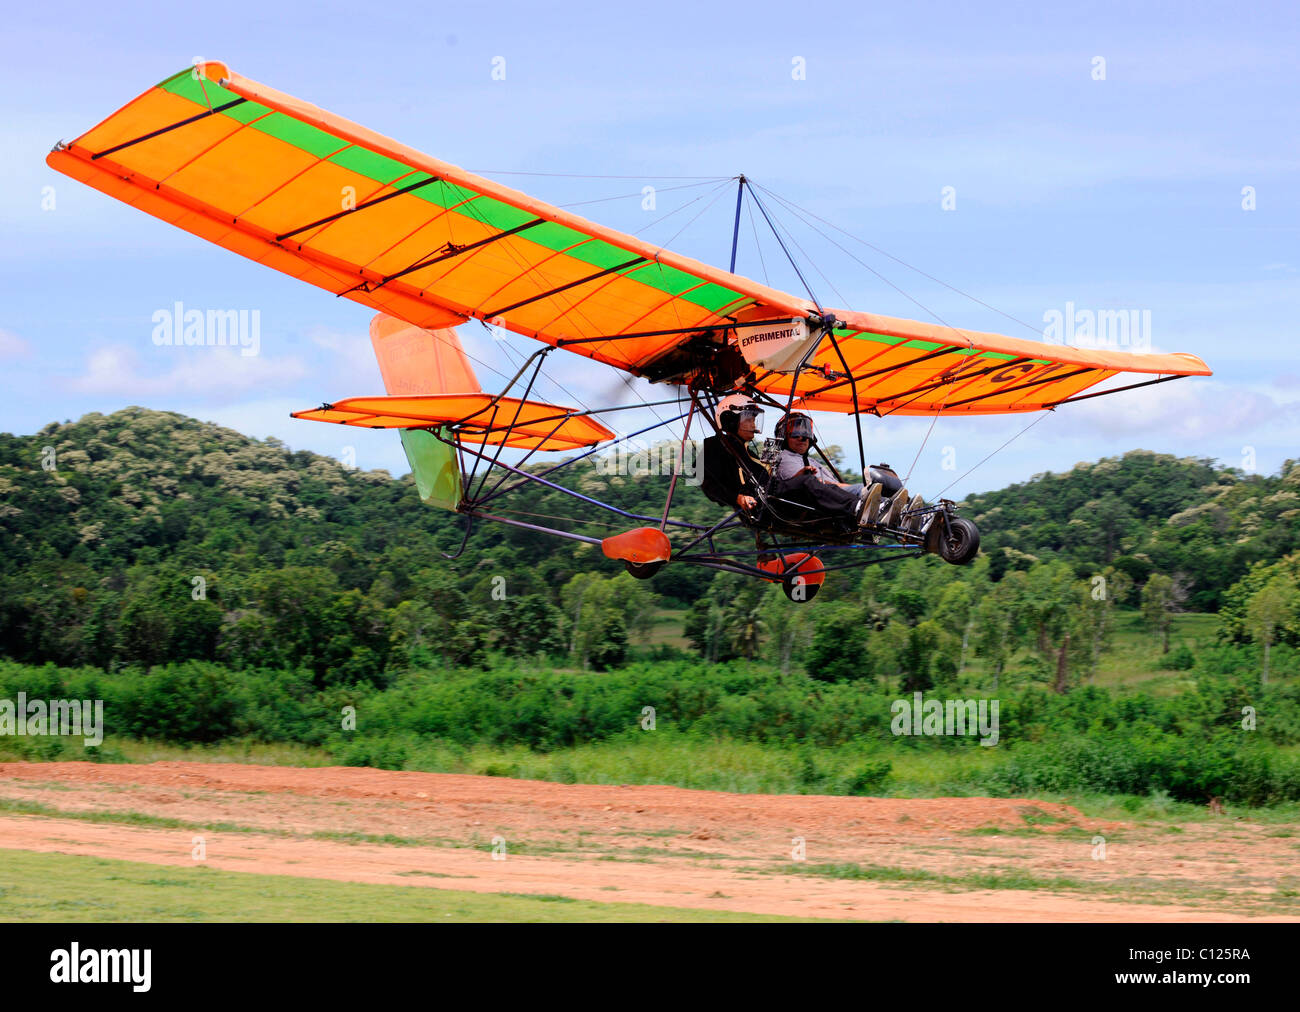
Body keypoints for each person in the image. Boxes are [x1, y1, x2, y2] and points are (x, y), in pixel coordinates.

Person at [701, 397, 878, 530]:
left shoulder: (746, 450)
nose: (754, 424)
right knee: (806, 482)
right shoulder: (716, 445)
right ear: (730, 420)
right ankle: (858, 508)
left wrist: (796, 477)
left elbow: (773, 483)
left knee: (814, 482)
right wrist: (737, 498)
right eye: (749, 418)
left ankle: (873, 510)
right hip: (764, 505)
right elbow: (705, 482)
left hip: (774, 496)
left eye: (755, 419)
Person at [772, 412, 924, 531]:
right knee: (864, 490)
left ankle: (913, 515)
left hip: (832, 496)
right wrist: (858, 490)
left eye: (806, 433)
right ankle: (884, 510)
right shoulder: (784, 458)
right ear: (784, 436)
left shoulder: (812, 461)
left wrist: (858, 489)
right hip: (808, 505)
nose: (802, 438)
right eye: (795, 433)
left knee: (878, 488)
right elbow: (804, 485)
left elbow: (834, 485)